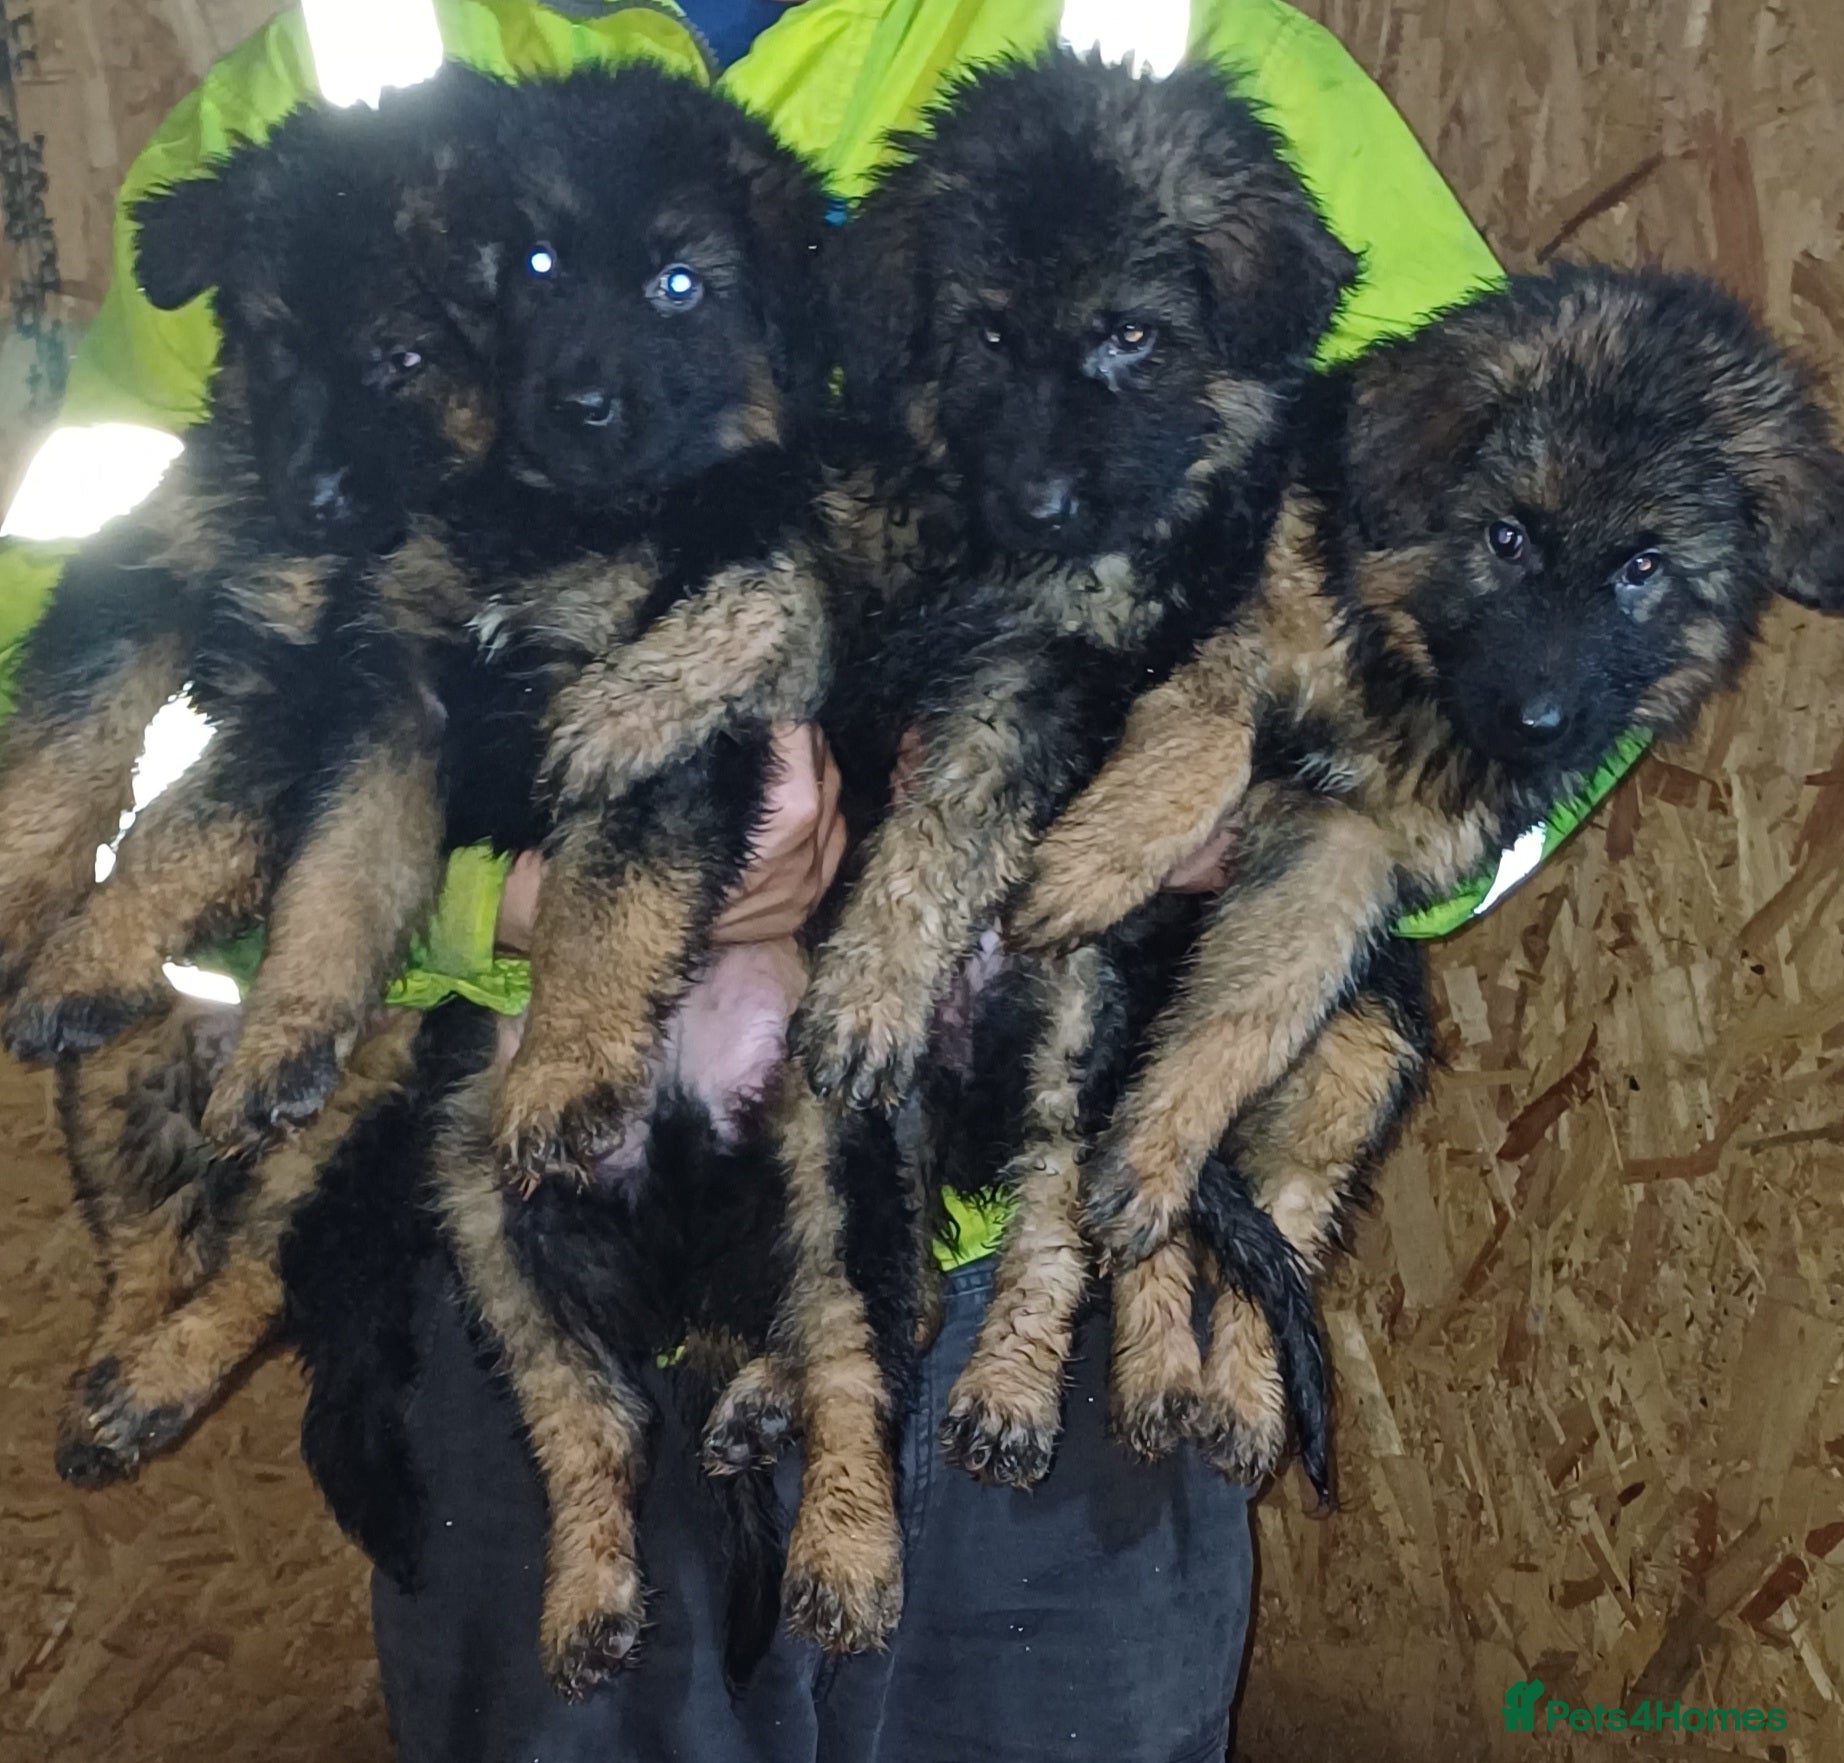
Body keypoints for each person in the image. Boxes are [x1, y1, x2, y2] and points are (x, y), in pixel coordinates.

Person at [0, 2, 1500, 1758]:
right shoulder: (351, 73)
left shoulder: (1163, 43)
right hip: (540, 1191)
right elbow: (88, 662)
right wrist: (499, 921)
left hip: (1054, 1229)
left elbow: (1541, 546)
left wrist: (1278, 810)